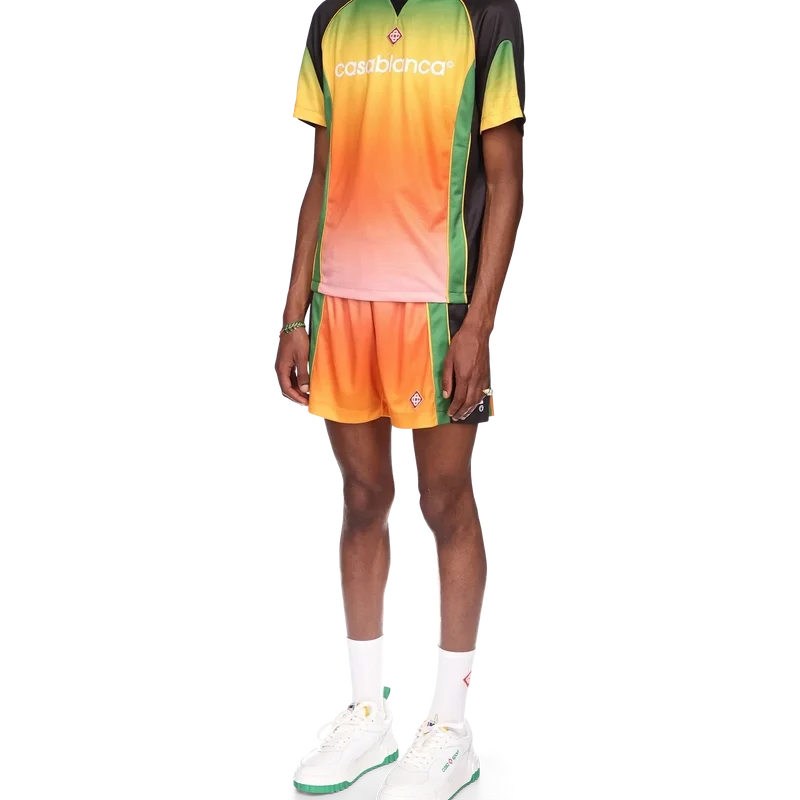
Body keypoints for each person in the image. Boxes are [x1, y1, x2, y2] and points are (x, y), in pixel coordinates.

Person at [278, 0, 525, 796]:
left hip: (436, 305)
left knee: (446, 503)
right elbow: (322, 170)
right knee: (361, 499)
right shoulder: (329, 18)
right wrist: (294, 314)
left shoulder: (484, 17)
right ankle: (367, 713)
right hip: (343, 302)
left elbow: (505, 177)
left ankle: (452, 727)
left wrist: (478, 324)